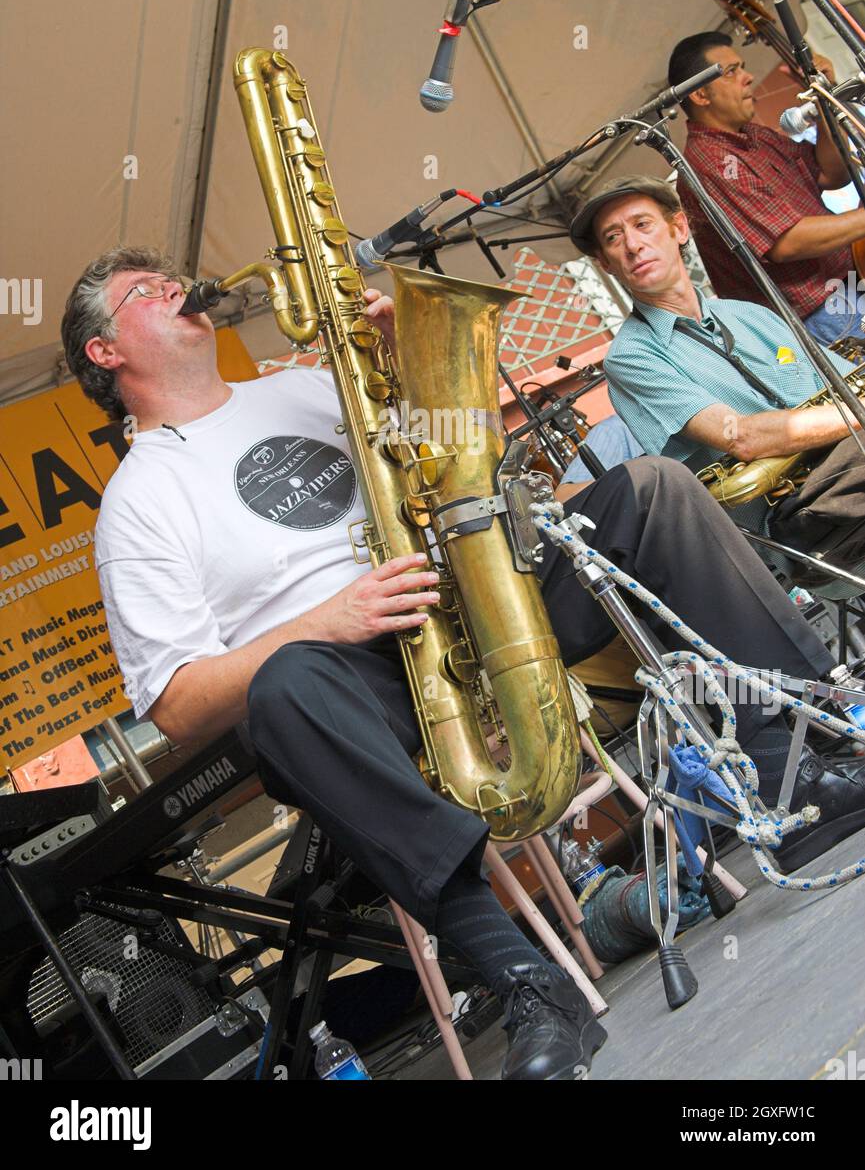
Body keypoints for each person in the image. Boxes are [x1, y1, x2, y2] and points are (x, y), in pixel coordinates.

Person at [62, 248, 865, 1077]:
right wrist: (326, 620)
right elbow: (176, 701)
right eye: (143, 292)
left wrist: (409, 358)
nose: (176, 286)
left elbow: (466, 449)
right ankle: (521, 979)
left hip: (472, 603)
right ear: (105, 351)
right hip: (358, 679)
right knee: (285, 690)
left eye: (170, 275)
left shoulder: (303, 386)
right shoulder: (137, 503)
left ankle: (796, 775)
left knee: (653, 488)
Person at [568, 175, 865, 567]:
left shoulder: (749, 313)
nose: (634, 245)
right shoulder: (630, 358)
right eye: (613, 238)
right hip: (803, 522)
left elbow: (849, 384)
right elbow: (742, 438)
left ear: (678, 228)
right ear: (605, 263)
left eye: (643, 225)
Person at [667, 30, 864, 346]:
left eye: (741, 67)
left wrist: (823, 98)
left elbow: (831, 173)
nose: (748, 77)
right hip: (821, 317)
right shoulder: (709, 162)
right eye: (731, 72)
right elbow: (787, 242)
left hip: (847, 290)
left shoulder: (753, 136)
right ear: (700, 95)